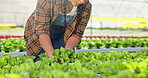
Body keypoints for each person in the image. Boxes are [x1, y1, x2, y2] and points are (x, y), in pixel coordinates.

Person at [24, 0, 92, 62]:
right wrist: (53, 58)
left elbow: (77, 34)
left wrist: (67, 51)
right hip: (40, 35)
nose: (82, 1)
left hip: (63, 35)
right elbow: (42, 32)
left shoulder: (86, 6)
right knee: (41, 62)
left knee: (64, 64)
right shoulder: (47, 1)